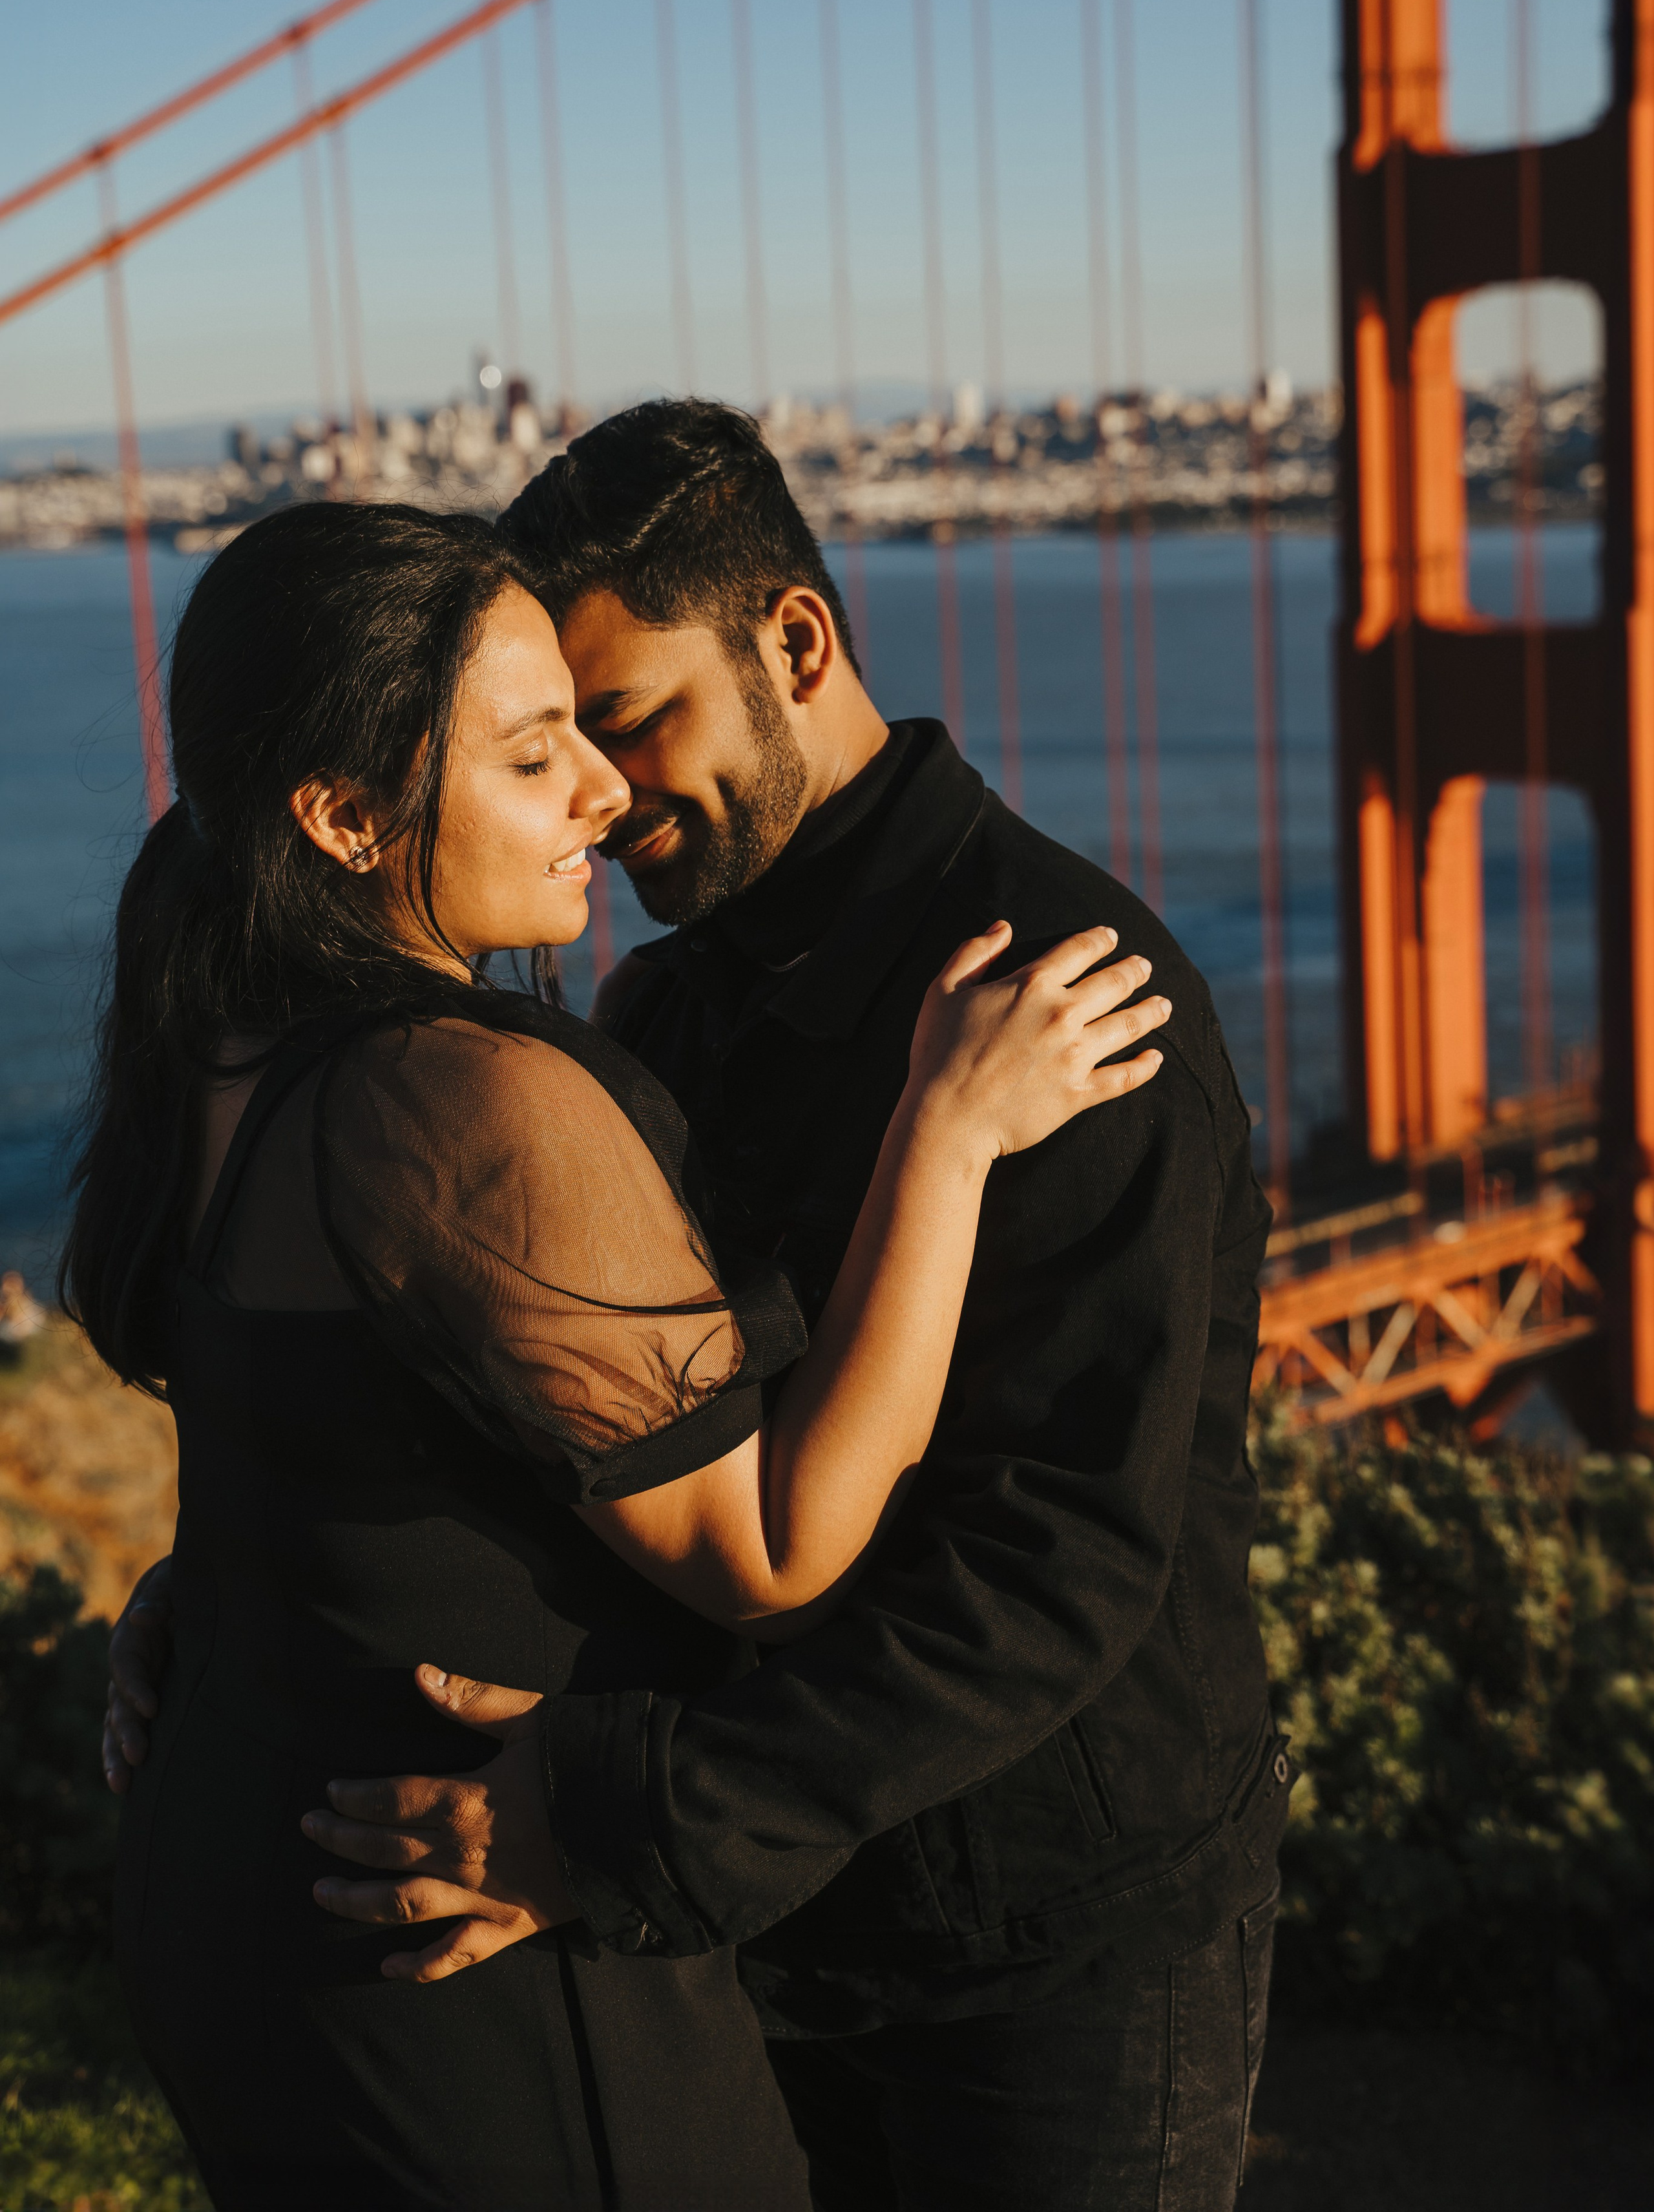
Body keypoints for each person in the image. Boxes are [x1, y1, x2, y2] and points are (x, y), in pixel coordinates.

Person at [77, 498, 1163, 2211]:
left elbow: (322, 1426)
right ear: (347, 816)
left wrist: (209, 1601)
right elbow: (771, 1549)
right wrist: (944, 1139)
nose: (603, 787)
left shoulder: (214, 1018)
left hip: (245, 1897)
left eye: (594, 726)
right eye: (531, 755)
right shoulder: (465, 1098)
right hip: (457, 1958)